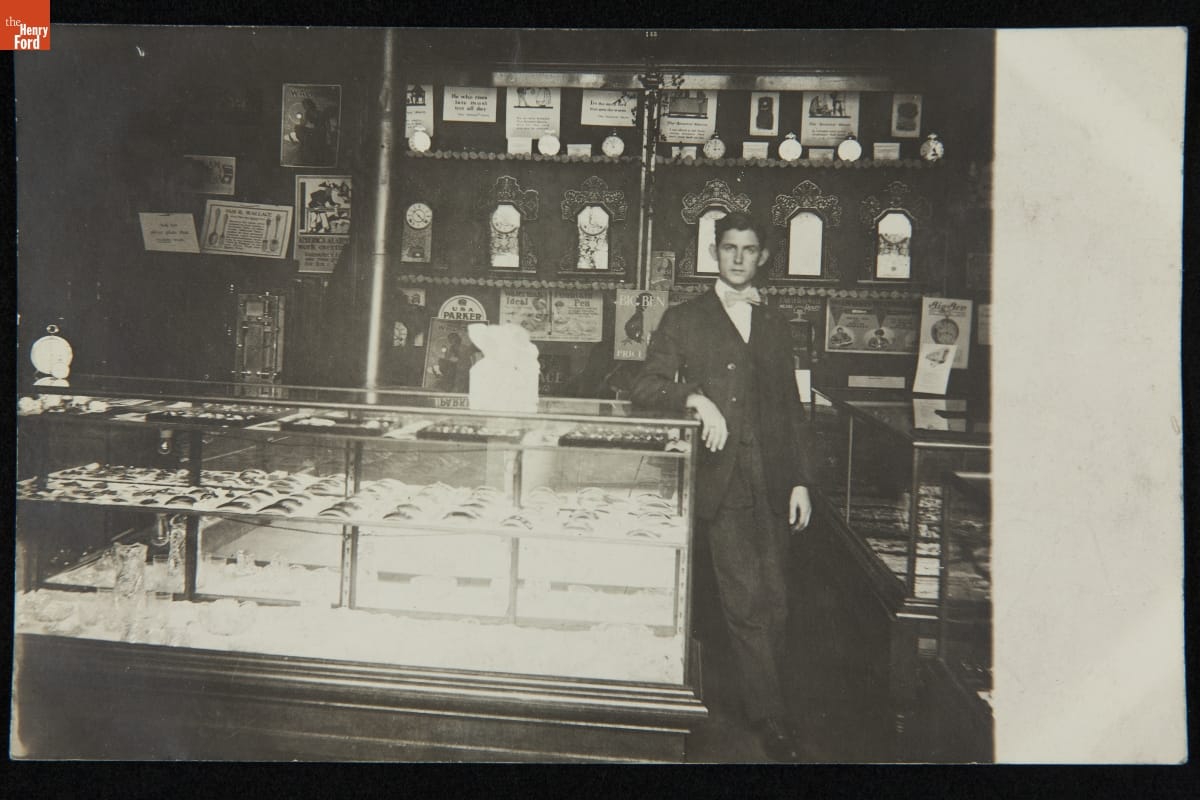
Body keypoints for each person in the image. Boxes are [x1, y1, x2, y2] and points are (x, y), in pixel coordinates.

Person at [631, 212, 814, 762]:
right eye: (729, 248)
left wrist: (801, 481)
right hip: (722, 480)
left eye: (749, 249)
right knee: (746, 600)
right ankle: (771, 716)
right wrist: (695, 398)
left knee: (777, 600)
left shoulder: (777, 324)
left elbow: (791, 410)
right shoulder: (685, 319)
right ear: (714, 254)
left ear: (762, 258)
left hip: (775, 479)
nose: (738, 258)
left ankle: (766, 697)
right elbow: (644, 383)